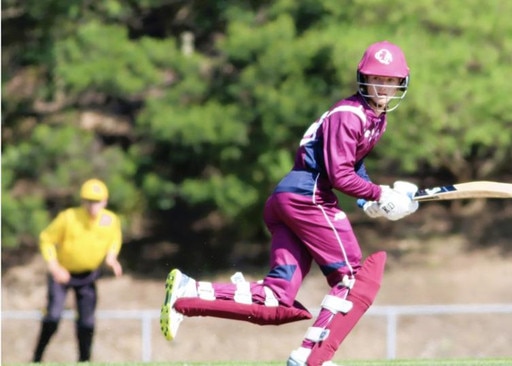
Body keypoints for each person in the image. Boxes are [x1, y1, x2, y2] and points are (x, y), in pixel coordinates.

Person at [159, 40, 419, 366]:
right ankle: (312, 357)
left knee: (276, 300)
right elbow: (339, 175)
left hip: (290, 199)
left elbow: (352, 164)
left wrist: (368, 202)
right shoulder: (350, 115)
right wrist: (380, 194)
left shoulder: (376, 119)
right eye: (376, 79)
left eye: (389, 80)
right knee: (352, 279)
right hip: (308, 198)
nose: (382, 86)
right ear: (362, 79)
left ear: (400, 83)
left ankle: (190, 292)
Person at [32, 178, 123, 363]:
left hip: (88, 276)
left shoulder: (110, 220)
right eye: (89, 201)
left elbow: (115, 239)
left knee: (86, 322)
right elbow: (46, 239)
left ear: (105, 201)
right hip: (62, 274)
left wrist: (111, 258)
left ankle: (84, 360)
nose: (93, 206)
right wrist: (54, 266)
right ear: (82, 201)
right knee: (53, 317)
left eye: (97, 201)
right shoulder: (68, 217)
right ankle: (37, 358)